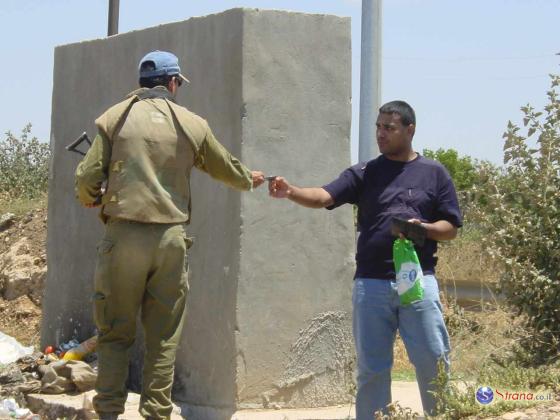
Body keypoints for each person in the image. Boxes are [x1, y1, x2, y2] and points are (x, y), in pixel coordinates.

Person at [75, 50, 265, 420]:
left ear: (142, 83)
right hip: (170, 242)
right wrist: (249, 179)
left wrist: (88, 197)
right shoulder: (191, 123)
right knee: (163, 339)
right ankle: (157, 414)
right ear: (173, 83)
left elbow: (86, 177)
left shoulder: (116, 118)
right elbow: (225, 167)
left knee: (115, 333)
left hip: (123, 238)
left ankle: (109, 412)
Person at [268, 100, 462, 418]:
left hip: (417, 282)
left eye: (389, 128)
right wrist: (291, 191)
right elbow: (324, 196)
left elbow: (450, 227)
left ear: (410, 130)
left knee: (433, 359)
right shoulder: (365, 172)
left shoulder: (434, 173)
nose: (381, 134)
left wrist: (423, 229)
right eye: (378, 127)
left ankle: (442, 415)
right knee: (372, 369)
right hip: (371, 284)